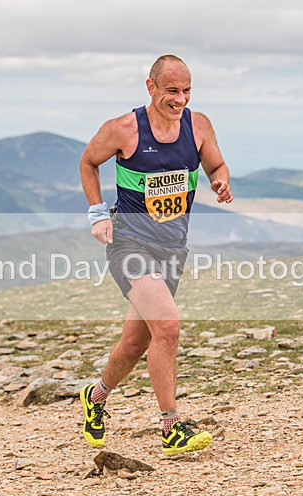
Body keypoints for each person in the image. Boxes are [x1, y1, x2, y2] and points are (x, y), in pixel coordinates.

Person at [78, 54, 233, 456]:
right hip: (129, 244)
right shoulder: (124, 129)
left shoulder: (198, 126)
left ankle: (95, 398)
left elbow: (216, 164)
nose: (180, 99)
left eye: (186, 91)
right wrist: (97, 215)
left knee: (135, 343)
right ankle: (171, 427)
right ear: (151, 88)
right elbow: (88, 162)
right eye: (171, 91)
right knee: (168, 327)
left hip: (171, 250)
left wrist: (220, 181)